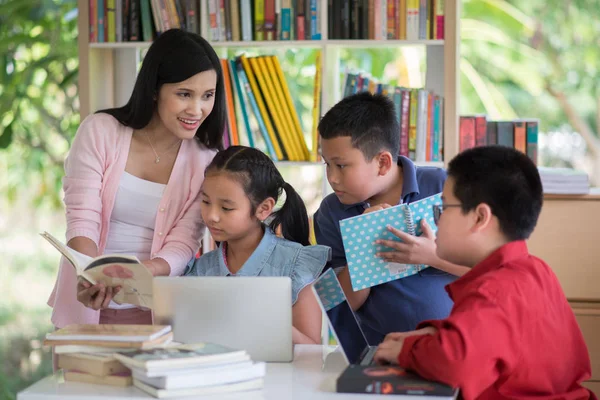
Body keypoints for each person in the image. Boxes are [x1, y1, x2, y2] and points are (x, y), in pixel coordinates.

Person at [374, 146, 595, 400]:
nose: (437, 220)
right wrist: (435, 334)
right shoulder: (537, 270)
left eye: (443, 208)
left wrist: (407, 350)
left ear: (480, 218)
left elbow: (455, 365)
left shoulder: (494, 290)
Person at [47, 29, 225, 328]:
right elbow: (82, 217)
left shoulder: (206, 160)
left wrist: (139, 273)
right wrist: (91, 276)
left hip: (159, 310)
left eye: (207, 96)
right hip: (85, 300)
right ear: (155, 89)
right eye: (184, 94)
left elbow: (184, 241)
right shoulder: (100, 131)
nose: (197, 110)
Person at [313, 92, 468, 355]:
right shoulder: (331, 212)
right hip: (380, 353)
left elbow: (491, 272)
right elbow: (341, 304)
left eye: (341, 166)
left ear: (383, 162)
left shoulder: (442, 186)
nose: (332, 178)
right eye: (327, 164)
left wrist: (433, 256)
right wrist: (363, 248)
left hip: (455, 348)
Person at [185, 146, 330, 345]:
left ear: (263, 209)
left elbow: (311, 351)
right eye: (205, 201)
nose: (211, 216)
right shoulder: (201, 270)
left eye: (226, 208)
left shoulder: (296, 264)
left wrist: (264, 318)